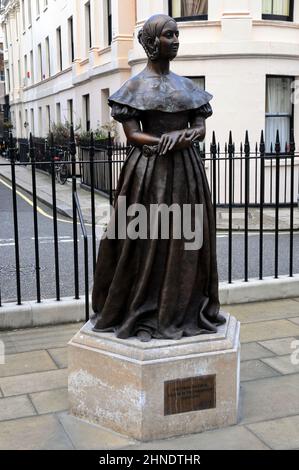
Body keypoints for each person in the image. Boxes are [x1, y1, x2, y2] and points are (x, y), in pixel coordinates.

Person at [91, 14, 225, 342]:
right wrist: (161, 140)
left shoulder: (187, 88)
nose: (176, 40)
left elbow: (200, 127)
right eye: (169, 35)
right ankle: (141, 303)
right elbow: (133, 134)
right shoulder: (133, 88)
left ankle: (182, 303)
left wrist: (182, 137)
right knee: (142, 239)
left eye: (177, 35)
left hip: (186, 173)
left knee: (186, 237)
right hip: (147, 174)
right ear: (152, 42)